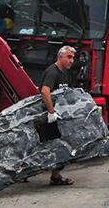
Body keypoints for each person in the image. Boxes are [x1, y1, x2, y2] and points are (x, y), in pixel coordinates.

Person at [40, 45, 75, 186]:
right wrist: (51, 112)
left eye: (73, 57)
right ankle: (55, 177)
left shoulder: (65, 72)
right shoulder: (52, 72)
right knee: (57, 146)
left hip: (60, 117)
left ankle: (56, 175)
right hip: (51, 117)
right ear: (60, 57)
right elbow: (44, 91)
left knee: (59, 145)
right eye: (69, 57)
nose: (72, 60)